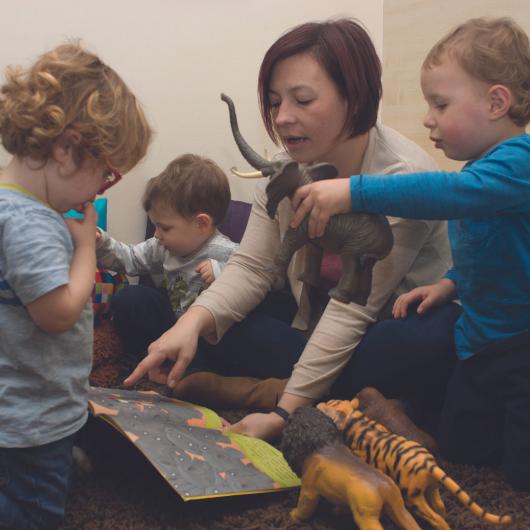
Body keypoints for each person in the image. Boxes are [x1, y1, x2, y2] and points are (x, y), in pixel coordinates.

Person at [124, 18, 455, 441]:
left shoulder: (402, 179)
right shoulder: (283, 171)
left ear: (353, 99)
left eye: (302, 100)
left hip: (379, 325)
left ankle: (283, 390)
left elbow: (355, 308)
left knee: (425, 341)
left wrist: (284, 415)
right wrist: (189, 324)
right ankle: (334, 394)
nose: (282, 118)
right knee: (225, 321)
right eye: (275, 101)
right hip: (311, 329)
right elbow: (252, 268)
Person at [290, 17, 530, 491]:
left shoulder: (517, 165)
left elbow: (452, 194)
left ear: (496, 102)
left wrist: (355, 192)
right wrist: (450, 283)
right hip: (477, 344)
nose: (428, 118)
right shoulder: (480, 172)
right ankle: (409, 408)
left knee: (520, 475)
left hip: (521, 348)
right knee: (463, 448)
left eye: (440, 104)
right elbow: (494, 248)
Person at [0, 42, 152, 528]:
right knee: (36, 512)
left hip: (21, 406)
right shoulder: (31, 224)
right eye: (105, 176)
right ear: (65, 151)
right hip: (34, 418)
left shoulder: (14, 206)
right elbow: (58, 313)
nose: (101, 191)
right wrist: (86, 247)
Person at [96, 153, 242, 371]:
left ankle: (195, 374)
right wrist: (99, 240)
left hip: (209, 338)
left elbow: (267, 277)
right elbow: (130, 259)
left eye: (164, 227)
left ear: (201, 223)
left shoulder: (227, 252)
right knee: (130, 297)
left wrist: (223, 274)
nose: (156, 234)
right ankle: (136, 358)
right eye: (155, 225)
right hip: (172, 326)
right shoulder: (161, 246)